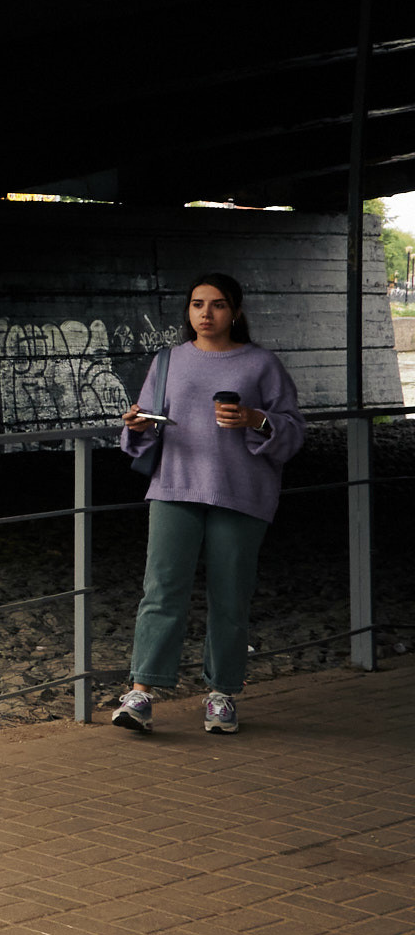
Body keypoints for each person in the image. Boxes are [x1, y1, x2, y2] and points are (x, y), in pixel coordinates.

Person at [114, 272, 304, 736]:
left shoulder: (261, 364)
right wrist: (137, 426)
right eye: (197, 304)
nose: (206, 313)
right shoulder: (168, 361)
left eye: (217, 305)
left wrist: (256, 418)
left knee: (230, 597)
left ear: (235, 312)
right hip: (174, 486)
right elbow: (141, 427)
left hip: (240, 494)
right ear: (188, 311)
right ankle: (140, 693)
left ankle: (222, 696)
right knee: (161, 591)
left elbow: (294, 431)